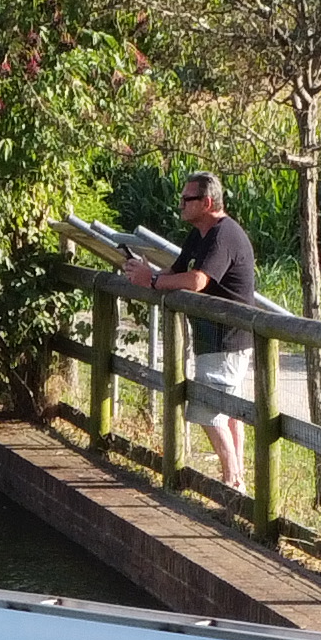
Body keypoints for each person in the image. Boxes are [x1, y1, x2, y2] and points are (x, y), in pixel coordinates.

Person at [122, 170, 257, 492]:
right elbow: (176, 271)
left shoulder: (223, 234)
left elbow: (197, 281)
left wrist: (152, 282)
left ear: (207, 202)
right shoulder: (200, 233)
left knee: (206, 410)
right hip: (214, 338)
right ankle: (237, 480)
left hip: (227, 339)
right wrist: (146, 272)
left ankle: (232, 481)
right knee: (227, 410)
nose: (180, 205)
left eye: (187, 199)